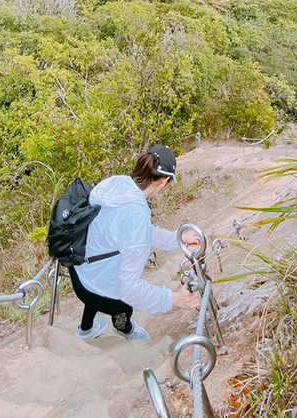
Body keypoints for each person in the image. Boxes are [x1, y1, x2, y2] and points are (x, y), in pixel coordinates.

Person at [69, 144, 201, 340]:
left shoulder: (117, 184)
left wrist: (178, 238)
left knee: (103, 273)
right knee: (124, 307)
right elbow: (129, 289)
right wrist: (175, 299)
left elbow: (138, 232)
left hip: (78, 265)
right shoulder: (136, 213)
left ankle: (86, 329)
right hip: (92, 284)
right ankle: (125, 329)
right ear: (164, 182)